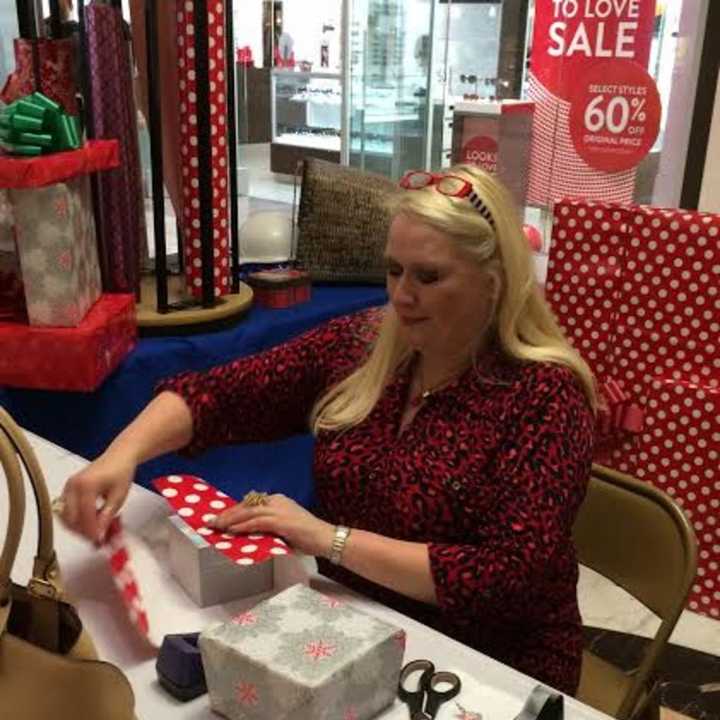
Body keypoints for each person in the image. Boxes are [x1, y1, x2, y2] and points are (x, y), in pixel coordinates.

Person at [58, 165, 596, 695]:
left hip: (491, 668)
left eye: (428, 276)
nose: (401, 295)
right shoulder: (367, 345)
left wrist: (327, 539)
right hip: (357, 628)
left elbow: (506, 578)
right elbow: (219, 395)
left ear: (494, 282)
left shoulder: (546, 397)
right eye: (393, 270)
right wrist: (120, 454)